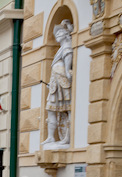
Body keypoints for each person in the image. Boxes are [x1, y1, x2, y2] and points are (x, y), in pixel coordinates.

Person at [43, 19, 74, 147]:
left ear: (66, 34)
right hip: (55, 84)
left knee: (68, 110)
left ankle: (67, 137)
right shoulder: (61, 48)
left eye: (60, 32)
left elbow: (67, 69)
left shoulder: (67, 48)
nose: (57, 35)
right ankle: (51, 137)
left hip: (63, 83)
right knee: (50, 109)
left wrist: (69, 78)